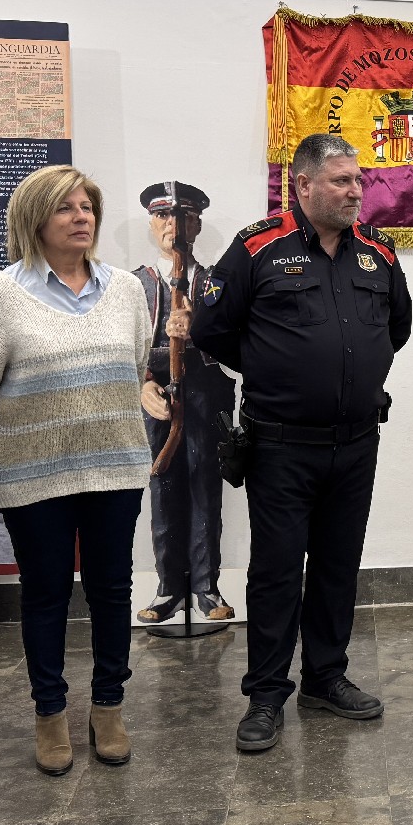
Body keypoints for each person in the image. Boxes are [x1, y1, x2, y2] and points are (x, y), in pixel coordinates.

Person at [190, 133, 412, 752]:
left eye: (358, 180)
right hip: (282, 446)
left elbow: (396, 328)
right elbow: (211, 330)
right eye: (341, 180)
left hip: (356, 443)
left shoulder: (378, 252)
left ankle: (325, 678)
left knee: (338, 567)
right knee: (278, 572)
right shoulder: (258, 246)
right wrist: (274, 365)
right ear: (304, 184)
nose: (355, 191)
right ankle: (265, 695)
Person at [0, 166, 154, 774]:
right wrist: (23, 442)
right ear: (34, 219)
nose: (81, 217)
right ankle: (49, 714)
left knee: (112, 591)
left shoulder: (126, 291)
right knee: (45, 594)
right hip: (33, 473)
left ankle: (108, 707)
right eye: (65, 207)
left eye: (86, 206)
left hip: (115, 467)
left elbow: (135, 368)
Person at [133, 181, 237, 625]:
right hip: (157, 396)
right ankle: (168, 588)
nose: (172, 225)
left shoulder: (218, 283)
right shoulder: (131, 285)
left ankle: (206, 586)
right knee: (163, 487)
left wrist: (199, 330)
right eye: (162, 216)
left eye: (183, 217)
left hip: (205, 394)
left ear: (196, 225)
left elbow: (238, 347)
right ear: (151, 224)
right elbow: (120, 351)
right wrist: (142, 384)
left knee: (204, 485)